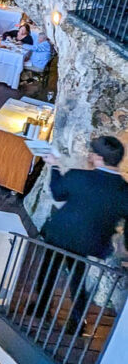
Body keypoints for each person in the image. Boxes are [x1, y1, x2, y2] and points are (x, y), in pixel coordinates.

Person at [41, 137, 128, 333]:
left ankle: (41, 308)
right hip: (90, 243)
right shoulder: (124, 191)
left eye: (92, 153)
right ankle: (77, 321)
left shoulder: (78, 176)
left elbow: (58, 193)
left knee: (48, 271)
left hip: (60, 233)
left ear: (98, 158)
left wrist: (54, 167)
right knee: (78, 278)